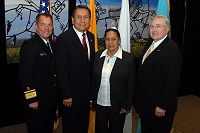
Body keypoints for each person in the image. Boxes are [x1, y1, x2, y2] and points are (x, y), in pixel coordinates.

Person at [134, 14, 182, 133]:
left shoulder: (171, 50)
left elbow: (172, 81)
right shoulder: (151, 44)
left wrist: (163, 105)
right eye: (151, 26)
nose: (154, 29)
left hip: (159, 108)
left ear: (167, 29)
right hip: (147, 105)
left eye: (158, 26)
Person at [56, 5, 95, 133]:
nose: (82, 20)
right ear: (73, 19)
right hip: (71, 97)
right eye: (79, 17)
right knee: (70, 128)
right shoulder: (64, 38)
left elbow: (90, 68)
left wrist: (91, 96)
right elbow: (61, 69)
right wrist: (66, 95)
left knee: (82, 127)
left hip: (86, 96)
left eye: (85, 17)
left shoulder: (90, 36)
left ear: (89, 20)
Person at [19, 13, 58, 133]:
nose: (47, 28)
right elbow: (25, 75)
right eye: (43, 24)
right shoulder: (30, 45)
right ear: (36, 26)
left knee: (48, 129)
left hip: (50, 100)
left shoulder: (53, 44)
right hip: (37, 101)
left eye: (49, 25)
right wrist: (31, 99)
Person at [91, 27, 135, 133]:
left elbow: (131, 84)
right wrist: (92, 99)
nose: (110, 42)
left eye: (113, 39)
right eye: (107, 39)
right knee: (100, 130)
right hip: (100, 103)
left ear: (119, 40)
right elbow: (93, 80)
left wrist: (126, 104)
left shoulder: (128, 59)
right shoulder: (97, 56)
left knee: (116, 130)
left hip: (118, 105)